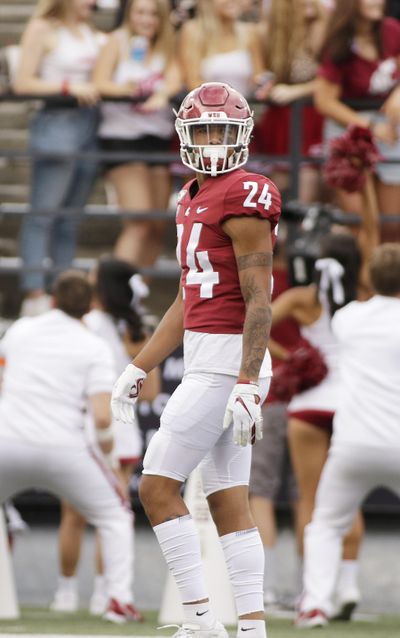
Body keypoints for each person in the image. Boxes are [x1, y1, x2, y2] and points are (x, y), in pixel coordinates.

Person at [111, 81, 282, 638]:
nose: (211, 141)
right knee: (228, 498)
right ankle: (251, 628)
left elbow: (260, 297)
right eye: (203, 129)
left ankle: (201, 621)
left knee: (155, 487)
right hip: (213, 358)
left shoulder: (246, 193)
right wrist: (139, 365)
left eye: (221, 130)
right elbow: (188, 299)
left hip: (228, 364)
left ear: (242, 136)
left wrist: (248, 379)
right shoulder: (188, 197)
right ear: (185, 134)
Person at [266, 174, 380, 620]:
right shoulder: (366, 293)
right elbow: (370, 233)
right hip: (352, 403)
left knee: (316, 502)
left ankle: (313, 597)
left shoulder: (302, 297)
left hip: (310, 404)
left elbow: (250, 323)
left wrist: (293, 355)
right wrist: (365, 182)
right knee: (348, 500)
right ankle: (347, 584)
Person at [0, 270, 141, 623]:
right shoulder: (93, 346)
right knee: (116, 515)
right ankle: (118, 601)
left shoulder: (19, 330)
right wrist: (108, 455)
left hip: (8, 442)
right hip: (64, 449)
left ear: (52, 300)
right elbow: (102, 418)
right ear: (89, 304)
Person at [296, 243, 400, 628]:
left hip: (352, 443)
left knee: (325, 523)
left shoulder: (349, 319)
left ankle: (315, 605)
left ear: (370, 277)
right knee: (325, 521)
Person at [50, 258, 160, 615]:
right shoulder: (135, 328)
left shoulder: (84, 324)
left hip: (84, 425)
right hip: (121, 428)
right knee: (111, 514)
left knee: (72, 514)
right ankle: (103, 594)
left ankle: (65, 594)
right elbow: (150, 391)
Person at [13, 0, 104, 316]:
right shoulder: (43, 28)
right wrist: (68, 87)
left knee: (70, 218)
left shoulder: (91, 30)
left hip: (90, 124)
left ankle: (62, 295)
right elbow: (22, 82)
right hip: (56, 122)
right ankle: (35, 292)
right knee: (43, 213)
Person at [94, 0, 182, 268]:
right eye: (141, 12)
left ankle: (133, 299)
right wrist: (126, 90)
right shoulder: (116, 41)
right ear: (130, 15)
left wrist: (162, 94)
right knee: (139, 220)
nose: (147, 19)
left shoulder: (168, 45)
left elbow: (176, 79)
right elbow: (99, 82)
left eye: (154, 13)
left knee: (156, 226)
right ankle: (105, 297)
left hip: (157, 138)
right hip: (121, 137)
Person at [314, 0, 400, 241]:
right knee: (359, 221)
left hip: (391, 134)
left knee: (392, 223)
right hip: (348, 134)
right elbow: (324, 101)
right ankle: (360, 278)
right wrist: (371, 127)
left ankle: (387, 276)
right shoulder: (339, 42)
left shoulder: (391, 30)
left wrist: (397, 93)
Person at [255, 0, 328, 202]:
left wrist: (296, 91)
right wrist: (266, 83)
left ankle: (302, 232)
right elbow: (262, 72)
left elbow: (332, 80)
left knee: (307, 180)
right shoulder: (268, 33)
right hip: (279, 119)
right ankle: (282, 233)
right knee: (275, 189)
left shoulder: (322, 28)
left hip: (312, 117)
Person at [178, 0, 265, 96]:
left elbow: (258, 78)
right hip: (207, 106)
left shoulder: (250, 32)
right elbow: (193, 82)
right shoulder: (193, 31)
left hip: (243, 106)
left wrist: (265, 86)